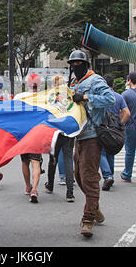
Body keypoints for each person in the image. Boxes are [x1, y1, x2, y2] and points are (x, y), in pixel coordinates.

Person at [67, 50, 115, 237]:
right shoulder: (73, 82)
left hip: (93, 136)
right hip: (79, 136)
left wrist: (87, 97)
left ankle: (88, 219)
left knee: (89, 178)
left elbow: (110, 99)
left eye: (79, 63)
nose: (75, 67)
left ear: (85, 64)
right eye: (73, 64)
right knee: (78, 176)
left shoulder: (95, 81)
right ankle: (94, 208)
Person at [44, 74, 75, 202]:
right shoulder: (70, 94)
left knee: (53, 157)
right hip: (68, 130)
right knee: (68, 159)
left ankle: (50, 185)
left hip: (55, 131)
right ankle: (69, 193)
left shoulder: (50, 96)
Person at [14, 73, 45, 203]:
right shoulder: (43, 98)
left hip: (23, 133)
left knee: (25, 161)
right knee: (35, 162)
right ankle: (35, 189)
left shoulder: (20, 97)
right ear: (39, 84)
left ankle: (28, 186)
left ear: (28, 84)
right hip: (37, 133)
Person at [100, 75, 131, 191]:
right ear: (112, 85)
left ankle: (107, 175)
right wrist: (120, 124)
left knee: (101, 153)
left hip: (102, 127)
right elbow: (127, 113)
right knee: (110, 152)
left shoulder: (101, 96)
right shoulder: (118, 97)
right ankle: (110, 175)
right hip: (114, 129)